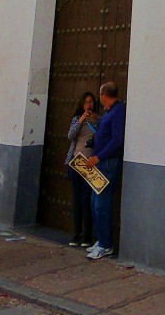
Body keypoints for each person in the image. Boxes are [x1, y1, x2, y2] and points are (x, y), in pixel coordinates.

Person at [84, 81, 125, 260]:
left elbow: (117, 139)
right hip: (100, 163)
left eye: (100, 95)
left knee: (102, 205)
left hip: (107, 163)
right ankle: (100, 240)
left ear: (104, 95)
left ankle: (105, 244)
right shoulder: (110, 112)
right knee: (95, 202)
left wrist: (99, 157)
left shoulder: (117, 112)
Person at [65, 91, 100, 247]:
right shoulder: (76, 119)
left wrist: (92, 122)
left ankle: (87, 235)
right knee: (77, 199)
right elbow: (70, 136)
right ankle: (76, 233)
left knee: (87, 199)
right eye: (86, 102)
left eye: (91, 102)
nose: (89, 105)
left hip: (90, 164)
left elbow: (99, 137)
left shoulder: (98, 119)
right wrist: (80, 120)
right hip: (76, 162)